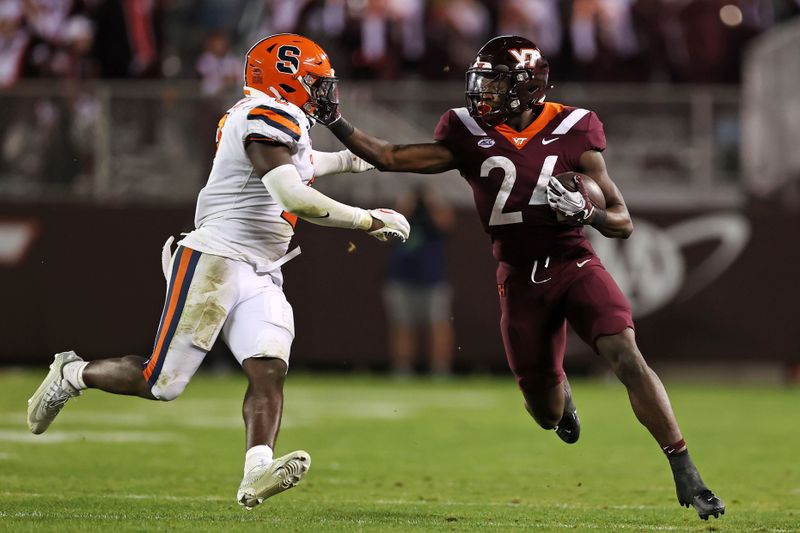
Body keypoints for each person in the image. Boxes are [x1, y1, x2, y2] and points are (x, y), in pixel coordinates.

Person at [319, 35, 725, 520]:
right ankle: (562, 397)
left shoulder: (575, 127)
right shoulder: (465, 131)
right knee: (546, 413)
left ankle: (686, 469)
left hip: (574, 264)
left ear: (526, 86)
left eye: (494, 82)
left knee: (627, 356)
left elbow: (623, 221)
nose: (482, 91)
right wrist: (335, 121)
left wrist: (588, 212)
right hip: (518, 279)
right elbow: (389, 155)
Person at [26, 34, 410, 509]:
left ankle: (256, 473)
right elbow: (294, 197)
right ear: (285, 80)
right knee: (161, 382)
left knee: (268, 367)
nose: (324, 92)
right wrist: (368, 220)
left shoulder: (276, 120)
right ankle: (73, 373)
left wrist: (357, 161)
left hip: (263, 267)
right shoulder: (263, 116)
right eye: (314, 82)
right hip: (216, 257)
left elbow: (308, 165)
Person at [384, 184, 456, 377]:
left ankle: (440, 368)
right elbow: (386, 231)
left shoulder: (435, 213)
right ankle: (402, 367)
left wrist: (432, 203)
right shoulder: (403, 214)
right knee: (401, 325)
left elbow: (446, 224)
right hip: (401, 277)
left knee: (439, 324)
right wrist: (405, 207)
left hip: (433, 278)